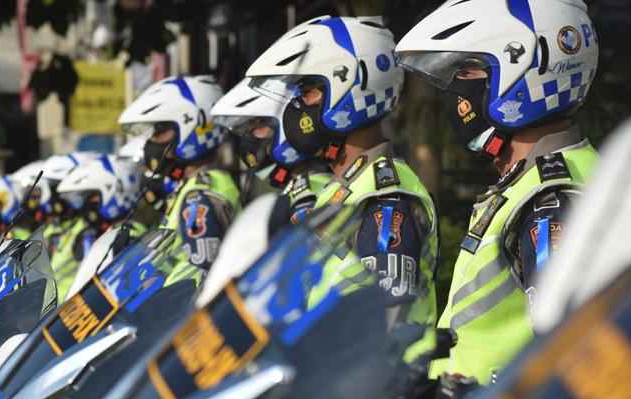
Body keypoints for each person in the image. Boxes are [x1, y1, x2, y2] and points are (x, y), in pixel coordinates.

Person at [396, 0, 600, 384]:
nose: (457, 89)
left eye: (469, 69)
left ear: (523, 74)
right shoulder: (542, 180)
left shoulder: (549, 200)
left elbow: (571, 355)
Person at [246, 16, 439, 349]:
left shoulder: (383, 196)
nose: (296, 105)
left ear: (349, 88)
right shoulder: (342, 189)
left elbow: (385, 322)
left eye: (307, 90)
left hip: (379, 395)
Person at [119, 75, 241, 286]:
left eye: (159, 131)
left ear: (191, 127)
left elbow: (203, 275)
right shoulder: (191, 187)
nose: (152, 143)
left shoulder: (200, 196)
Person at [211, 76, 332, 225]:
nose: (247, 139)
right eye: (243, 132)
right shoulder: (292, 190)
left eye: (254, 127)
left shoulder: (311, 195)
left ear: (286, 121)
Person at [55, 152, 146, 302]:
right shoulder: (95, 234)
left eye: (90, 197)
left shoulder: (129, 235)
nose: (85, 205)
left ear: (114, 190)